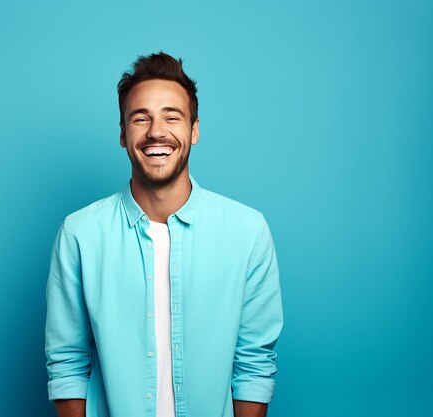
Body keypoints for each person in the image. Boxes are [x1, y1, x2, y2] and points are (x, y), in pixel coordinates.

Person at [44, 52, 283, 417]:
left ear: (195, 130)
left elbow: (253, 365)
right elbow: (67, 363)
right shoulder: (79, 234)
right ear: (124, 134)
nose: (157, 131)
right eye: (141, 118)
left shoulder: (248, 232)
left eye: (172, 117)